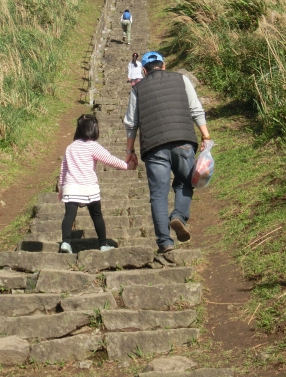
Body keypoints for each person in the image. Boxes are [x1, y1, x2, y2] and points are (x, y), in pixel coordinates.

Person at [124, 52, 210, 254]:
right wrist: (205, 136)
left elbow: (131, 123)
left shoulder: (137, 88)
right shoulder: (182, 79)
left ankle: (165, 242)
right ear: (163, 66)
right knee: (185, 182)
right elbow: (196, 108)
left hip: (154, 147)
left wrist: (130, 151)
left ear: (144, 71)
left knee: (158, 195)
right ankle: (179, 215)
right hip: (183, 142)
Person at [58, 114, 136, 254]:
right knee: (97, 215)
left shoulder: (70, 147)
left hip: (71, 186)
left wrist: (61, 188)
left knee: (69, 215)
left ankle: (65, 242)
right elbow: (109, 159)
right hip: (88, 187)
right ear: (94, 129)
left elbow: (64, 168)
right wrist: (127, 166)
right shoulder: (93, 146)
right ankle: (103, 244)